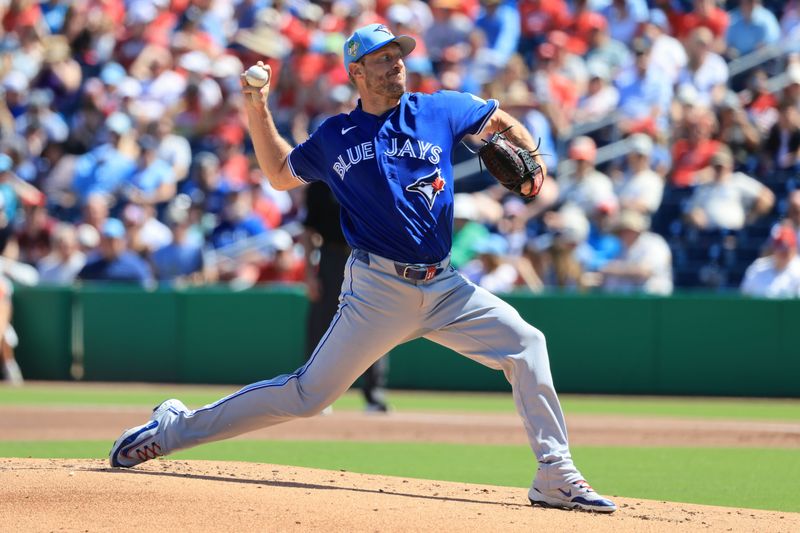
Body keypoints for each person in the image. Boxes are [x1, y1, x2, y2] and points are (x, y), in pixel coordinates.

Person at [109, 24, 617, 513]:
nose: (396, 66)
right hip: (377, 289)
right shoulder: (337, 135)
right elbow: (279, 174)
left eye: (399, 57)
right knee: (307, 396)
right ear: (357, 71)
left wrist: (532, 159)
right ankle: (172, 429)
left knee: (528, 344)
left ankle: (554, 472)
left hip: (445, 286)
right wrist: (256, 105)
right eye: (383, 59)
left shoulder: (439, 108)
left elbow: (500, 121)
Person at [302, 181, 390, 412]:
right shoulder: (320, 184)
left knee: (375, 325)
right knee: (321, 326)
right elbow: (309, 231)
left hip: (368, 255)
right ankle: (316, 394)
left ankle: (374, 394)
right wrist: (309, 274)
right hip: (331, 257)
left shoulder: (369, 171)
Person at [740, 225, 800, 298]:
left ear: (793, 249)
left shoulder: (798, 271)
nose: (783, 253)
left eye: (786, 249)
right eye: (780, 248)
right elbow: (744, 298)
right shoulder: (758, 268)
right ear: (773, 249)